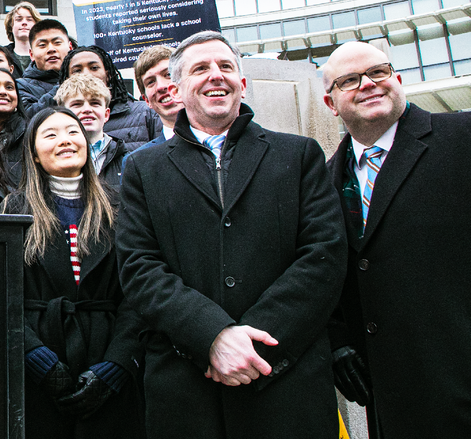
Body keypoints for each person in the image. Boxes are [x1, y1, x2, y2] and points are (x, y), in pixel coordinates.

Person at [114, 31, 347, 438]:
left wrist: (250, 346)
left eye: (226, 67)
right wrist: (212, 336)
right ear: (177, 89)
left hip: (285, 381)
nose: (215, 76)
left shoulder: (299, 154)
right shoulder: (142, 169)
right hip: (188, 388)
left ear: (242, 82)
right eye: (200, 69)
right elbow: (138, 266)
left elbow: (323, 255)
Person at [321, 41, 471, 438]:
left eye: (378, 72)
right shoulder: (321, 180)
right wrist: (336, 342)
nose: (367, 84)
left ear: (398, 80)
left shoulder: (462, 137)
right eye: (349, 80)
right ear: (331, 102)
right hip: (393, 399)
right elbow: (324, 269)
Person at [0, 106, 143, 439]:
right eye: (51, 134)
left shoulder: (122, 206)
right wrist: (36, 359)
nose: (65, 140)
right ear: (33, 154)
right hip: (37, 369)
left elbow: (140, 291)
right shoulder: (11, 210)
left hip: (107, 358)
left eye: (73, 132)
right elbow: (0, 294)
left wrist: (116, 366)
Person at [61, 46, 160, 152]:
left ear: (107, 75)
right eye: (77, 70)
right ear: (66, 79)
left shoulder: (146, 113)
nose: (86, 74)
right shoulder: (59, 120)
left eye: (94, 68)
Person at [54, 75, 125, 191]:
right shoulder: (51, 158)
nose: (87, 109)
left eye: (95, 103)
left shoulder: (127, 160)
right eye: (77, 104)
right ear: (62, 113)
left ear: (106, 114)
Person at [130, 44, 181, 151]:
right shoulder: (138, 162)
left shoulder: (220, 142)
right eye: (151, 82)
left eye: (168, 74)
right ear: (146, 100)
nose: (161, 86)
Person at [17, 19, 72, 107]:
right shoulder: (21, 86)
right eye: (42, 45)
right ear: (31, 55)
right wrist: (66, 84)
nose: (51, 49)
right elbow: (29, 114)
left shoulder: (85, 77)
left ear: (70, 47)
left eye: (57, 43)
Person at [4, 1, 41, 71]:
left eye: (29, 19)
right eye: (19, 19)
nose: (24, 23)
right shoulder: (2, 55)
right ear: (11, 26)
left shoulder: (45, 55)